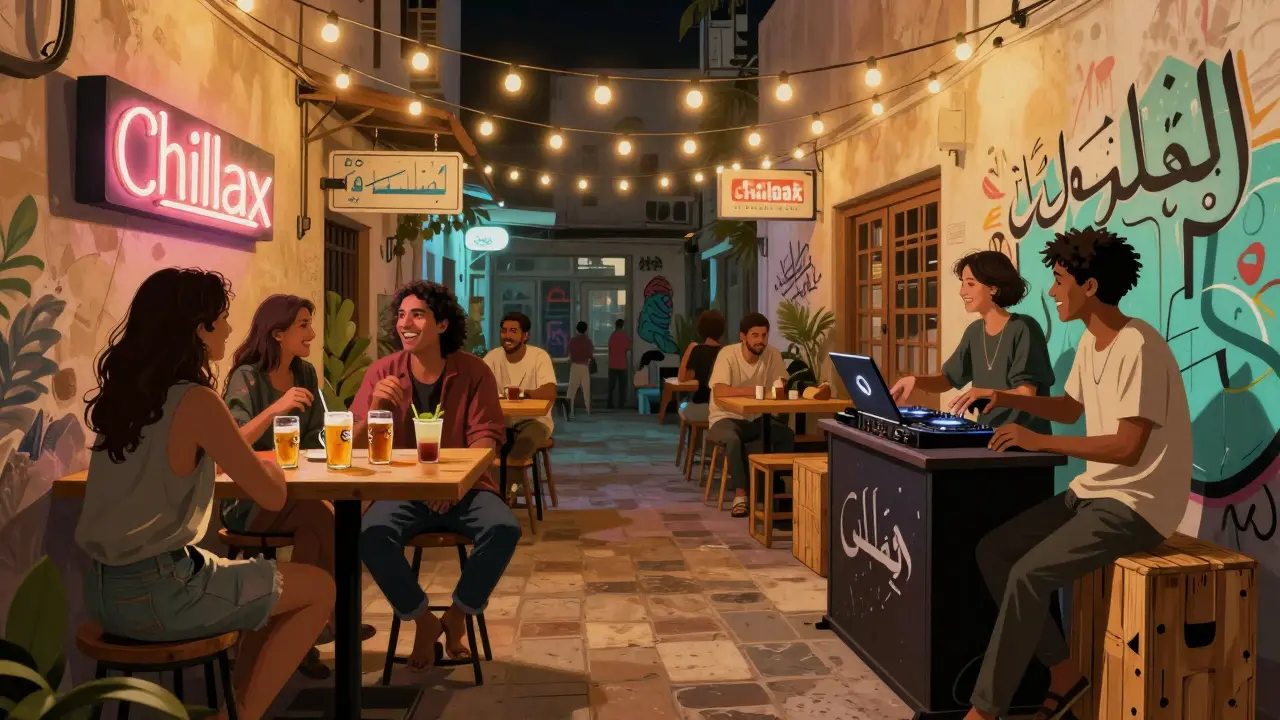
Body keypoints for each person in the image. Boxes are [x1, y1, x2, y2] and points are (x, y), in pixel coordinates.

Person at [950, 228, 1192, 720]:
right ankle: (1064, 675)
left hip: (1138, 504)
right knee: (995, 551)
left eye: (1060, 281)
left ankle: (984, 711)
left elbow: (1127, 448)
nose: (1053, 291)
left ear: (1091, 287)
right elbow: (1068, 407)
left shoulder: (1138, 346)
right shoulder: (1091, 341)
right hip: (1096, 493)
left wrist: (1037, 439)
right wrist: (1006, 397)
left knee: (1028, 573)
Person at [76, 268, 334, 720]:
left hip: (102, 593)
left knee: (262, 586)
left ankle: (235, 707)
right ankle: (239, 716)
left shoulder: (125, 395)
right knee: (318, 589)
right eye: (221, 318)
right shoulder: (196, 400)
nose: (231, 329)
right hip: (160, 592)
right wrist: (270, 465)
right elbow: (271, 497)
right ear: (199, 328)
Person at [353, 281, 520, 671]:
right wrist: (377, 405)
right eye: (400, 315)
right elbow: (356, 445)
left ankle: (458, 617)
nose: (405, 323)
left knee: (504, 529)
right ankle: (424, 622)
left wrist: (452, 483)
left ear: (442, 325)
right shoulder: (382, 373)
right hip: (401, 489)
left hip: (466, 488)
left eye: (418, 314)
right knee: (370, 535)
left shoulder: (473, 371)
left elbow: (486, 441)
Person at [221, 294, 375, 679]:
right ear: (277, 333)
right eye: (304, 324)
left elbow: (320, 439)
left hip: (296, 492)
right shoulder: (247, 376)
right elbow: (232, 442)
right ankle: (333, 622)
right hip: (249, 499)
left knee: (313, 528)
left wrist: (356, 430)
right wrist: (276, 408)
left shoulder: (305, 374)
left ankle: (300, 636)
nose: (312, 332)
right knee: (327, 521)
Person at [890, 251, 1055, 431]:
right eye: (962, 284)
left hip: (1025, 443)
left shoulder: (1023, 327)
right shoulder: (974, 331)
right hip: (988, 435)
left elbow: (1027, 394)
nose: (962, 292)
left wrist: (985, 393)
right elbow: (948, 379)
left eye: (970, 284)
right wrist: (915, 380)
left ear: (994, 288)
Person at [704, 313, 796, 518]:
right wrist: (756, 390)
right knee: (733, 440)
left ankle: (775, 489)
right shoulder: (728, 354)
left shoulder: (772, 354)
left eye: (764, 335)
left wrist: (779, 388)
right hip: (724, 416)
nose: (760, 341)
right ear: (742, 337)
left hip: (756, 417)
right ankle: (740, 495)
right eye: (755, 335)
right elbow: (720, 391)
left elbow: (780, 385)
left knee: (785, 435)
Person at [483, 311, 558, 492]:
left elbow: (550, 392)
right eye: (504, 331)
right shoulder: (493, 357)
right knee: (482, 447)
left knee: (523, 445)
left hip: (536, 421)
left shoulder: (538, 357)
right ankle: (494, 492)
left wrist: (522, 395)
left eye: (513, 331)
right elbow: (476, 385)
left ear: (525, 336)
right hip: (502, 420)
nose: (507, 336)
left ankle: (504, 493)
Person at [677, 310, 726, 425]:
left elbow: (682, 377)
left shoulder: (697, 350)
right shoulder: (726, 352)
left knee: (683, 407)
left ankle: (692, 442)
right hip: (722, 410)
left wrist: (690, 348)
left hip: (702, 407)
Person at [566, 320, 594, 417]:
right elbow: (590, 355)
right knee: (586, 389)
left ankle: (570, 409)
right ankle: (588, 410)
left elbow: (568, 354)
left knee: (572, 389)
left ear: (577, 329)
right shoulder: (588, 341)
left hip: (574, 366)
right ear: (585, 330)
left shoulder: (572, 340)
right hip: (584, 366)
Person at [607, 318, 631, 408]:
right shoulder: (625, 336)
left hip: (612, 364)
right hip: (622, 365)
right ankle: (621, 404)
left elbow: (609, 348)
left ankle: (609, 403)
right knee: (622, 387)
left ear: (616, 325)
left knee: (611, 386)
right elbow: (628, 348)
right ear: (622, 326)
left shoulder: (612, 336)